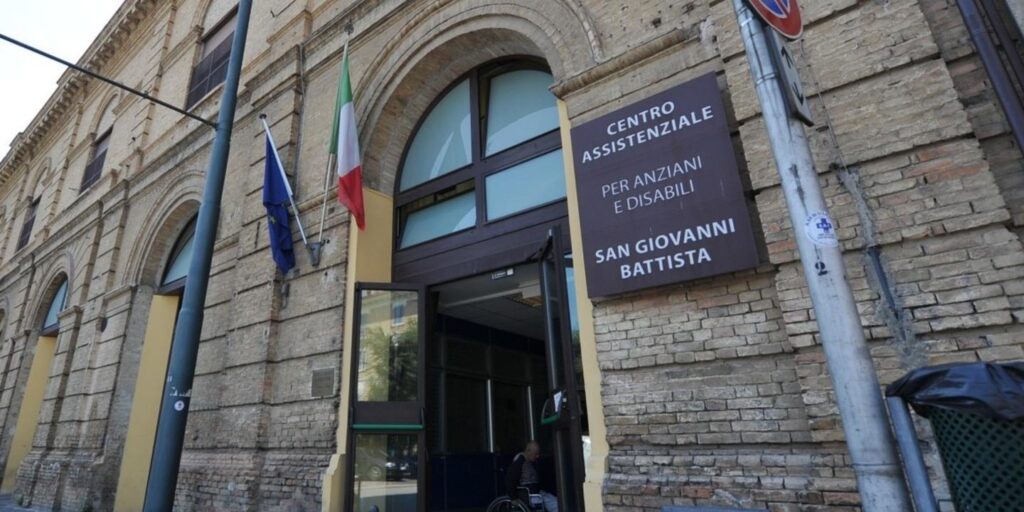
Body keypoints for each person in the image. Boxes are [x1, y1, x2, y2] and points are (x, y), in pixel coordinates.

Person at [504, 441, 558, 511]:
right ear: (528, 450)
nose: (537, 456)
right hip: (529, 495)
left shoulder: (531, 462)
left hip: (536, 492)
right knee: (555, 505)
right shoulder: (519, 463)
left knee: (556, 502)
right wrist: (513, 498)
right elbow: (510, 480)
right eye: (536, 454)